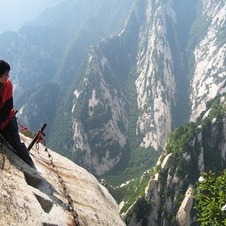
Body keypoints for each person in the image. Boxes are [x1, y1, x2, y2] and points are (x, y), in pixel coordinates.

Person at [0, 60, 35, 168]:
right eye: (6, 74)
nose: (8, 76)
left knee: (16, 143)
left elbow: (8, 108)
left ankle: (31, 167)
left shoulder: (8, 85)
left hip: (8, 120)